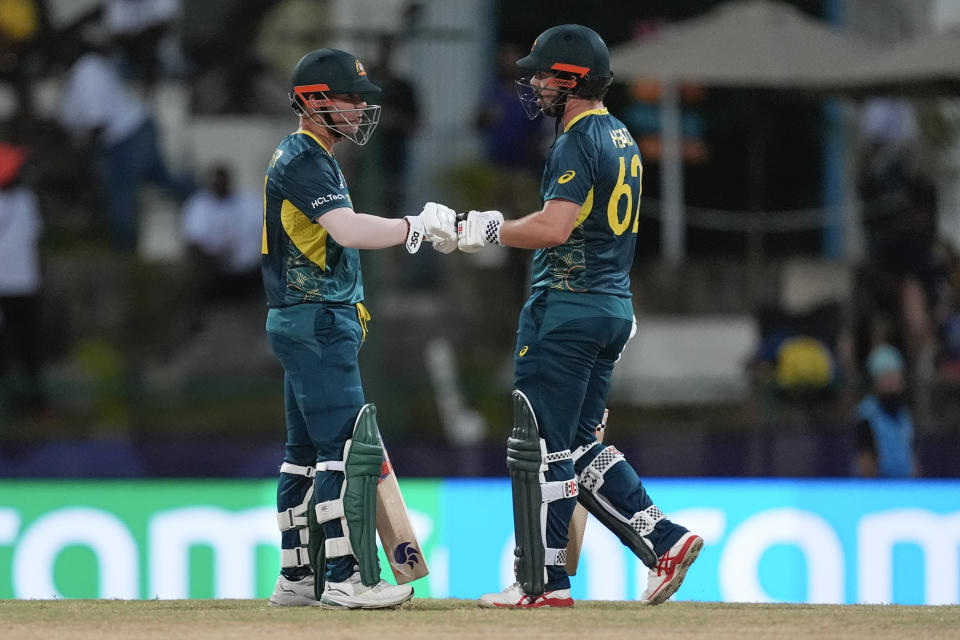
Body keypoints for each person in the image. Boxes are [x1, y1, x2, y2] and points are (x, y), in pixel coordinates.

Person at [457, 24, 702, 608]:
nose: (535, 84)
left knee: (543, 448)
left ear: (571, 81)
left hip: (566, 309)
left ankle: (543, 585)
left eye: (544, 75)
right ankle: (664, 540)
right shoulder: (622, 135)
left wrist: (488, 228)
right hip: (612, 307)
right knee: (581, 446)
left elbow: (555, 227)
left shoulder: (575, 141)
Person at [262, 48, 457, 609]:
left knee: (303, 454)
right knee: (344, 453)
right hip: (317, 319)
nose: (359, 110)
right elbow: (346, 230)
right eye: (350, 100)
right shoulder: (304, 159)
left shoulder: (306, 154)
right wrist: (413, 226)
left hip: (304, 319)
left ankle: (298, 579)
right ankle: (346, 578)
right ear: (315, 101)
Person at [59, 35, 193, 252]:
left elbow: (97, 122)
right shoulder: (81, 73)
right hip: (135, 130)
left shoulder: (86, 72)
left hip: (127, 137)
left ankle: (124, 252)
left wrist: (81, 159)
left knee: (120, 194)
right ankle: (200, 196)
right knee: (163, 181)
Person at [0, 142, 48, 417]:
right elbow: (34, 237)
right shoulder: (26, 201)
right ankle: (36, 404)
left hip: (6, 285)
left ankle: (9, 404)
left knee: (4, 349)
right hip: (24, 285)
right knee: (28, 346)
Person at [181, 162, 263, 302]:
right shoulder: (198, 205)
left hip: (252, 273)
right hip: (215, 274)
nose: (219, 185)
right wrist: (217, 257)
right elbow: (193, 243)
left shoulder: (251, 203)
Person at [854, 344, 918, 478]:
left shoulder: (904, 414)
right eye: (888, 375)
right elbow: (865, 460)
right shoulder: (866, 414)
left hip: (905, 485)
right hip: (879, 486)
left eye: (897, 375)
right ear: (877, 379)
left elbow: (912, 455)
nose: (895, 381)